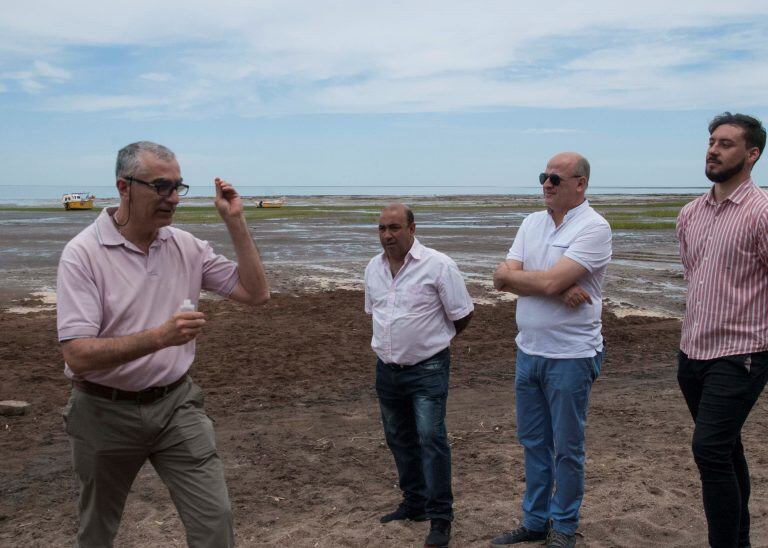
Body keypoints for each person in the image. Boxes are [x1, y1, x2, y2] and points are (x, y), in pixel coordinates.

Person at [57, 141, 270, 547]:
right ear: (124, 187)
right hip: (103, 410)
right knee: (97, 528)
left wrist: (236, 222)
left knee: (214, 518)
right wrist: (161, 337)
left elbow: (256, 294)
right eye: (160, 187)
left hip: (176, 405)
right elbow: (77, 355)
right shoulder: (82, 255)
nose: (172, 198)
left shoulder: (184, 245)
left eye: (177, 187)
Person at [490, 152, 611, 548]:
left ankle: (563, 526)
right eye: (544, 176)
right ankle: (535, 521)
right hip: (529, 351)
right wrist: (556, 285)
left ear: (581, 184)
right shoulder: (531, 223)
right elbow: (498, 278)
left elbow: (527, 280)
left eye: (555, 179)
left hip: (572, 356)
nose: (546, 184)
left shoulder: (594, 227)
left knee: (567, 449)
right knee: (533, 443)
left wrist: (535, 281)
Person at [676, 112, 768, 548]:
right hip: (692, 352)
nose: (713, 149)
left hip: (742, 353)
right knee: (726, 450)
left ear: (752, 154)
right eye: (712, 141)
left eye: (726, 143)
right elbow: (696, 277)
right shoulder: (690, 213)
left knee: (709, 450)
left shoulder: (762, 212)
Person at [364, 203, 474, 548]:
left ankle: (441, 518)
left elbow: (462, 315)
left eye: (394, 228)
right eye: (382, 228)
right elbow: (376, 312)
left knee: (431, 439)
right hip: (387, 368)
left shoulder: (439, 265)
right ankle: (414, 504)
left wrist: (432, 343)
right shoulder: (373, 268)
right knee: (399, 438)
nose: (387, 235)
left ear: (413, 228)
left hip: (427, 368)